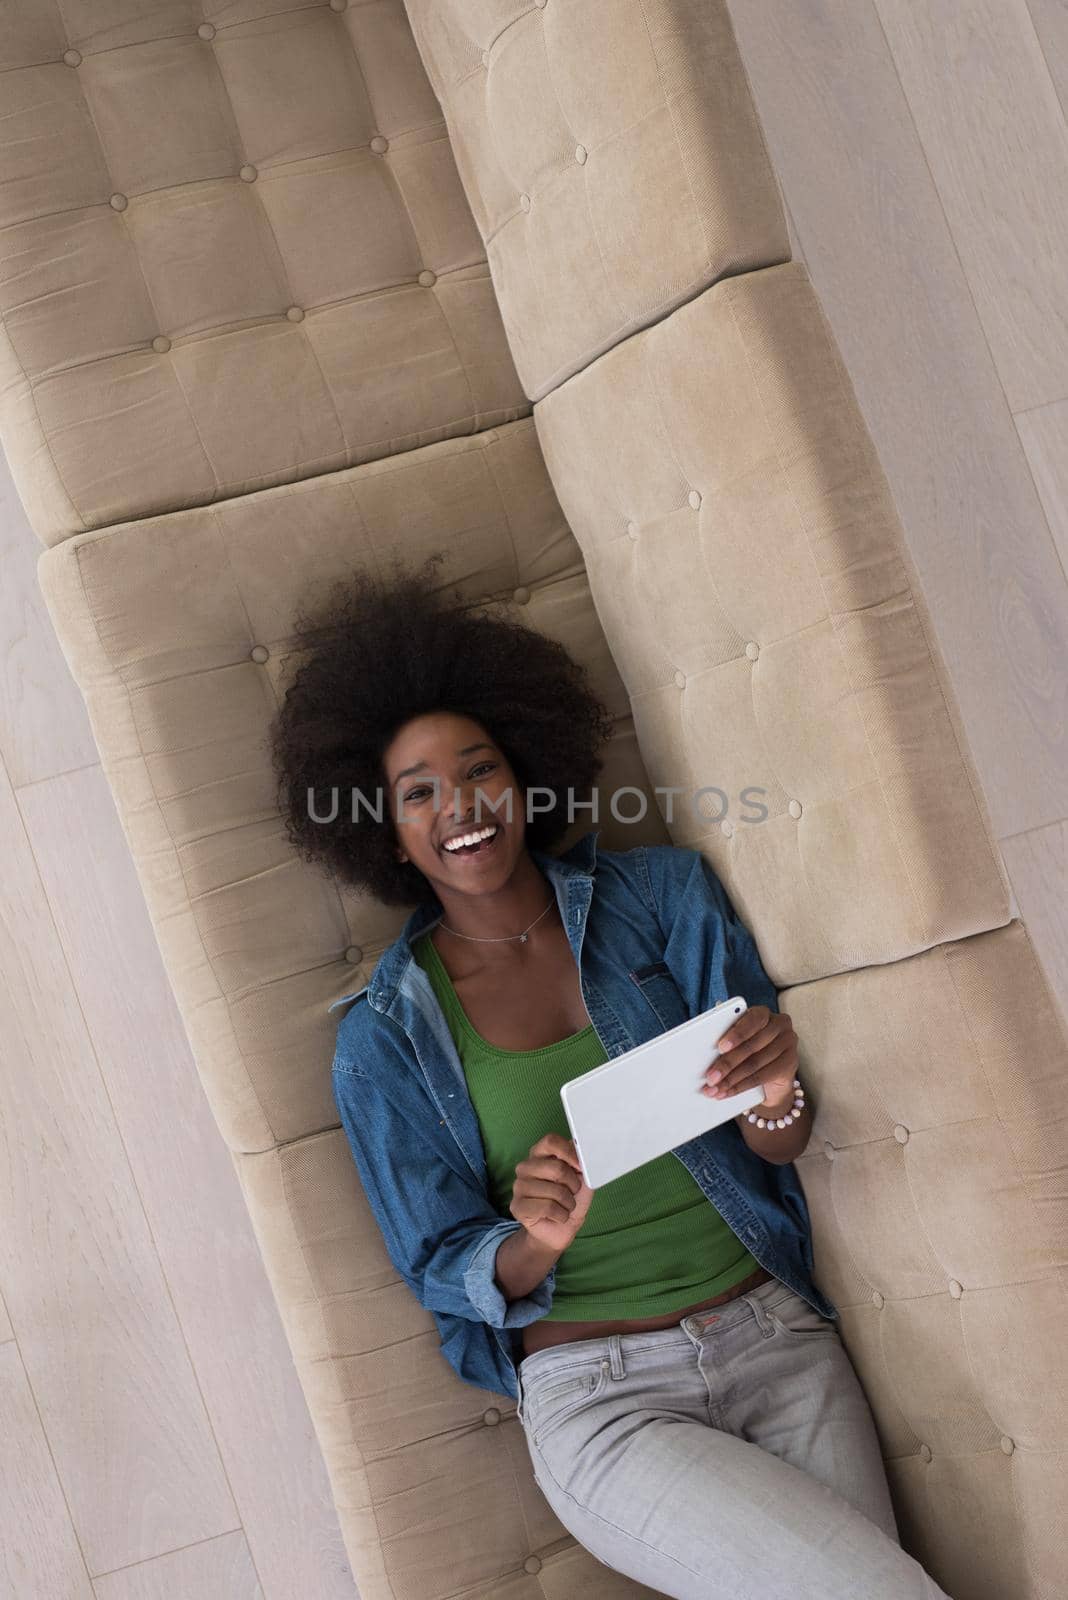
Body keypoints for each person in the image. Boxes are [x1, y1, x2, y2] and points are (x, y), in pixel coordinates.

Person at [270, 552, 952, 1600]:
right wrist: (531, 1240)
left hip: (775, 1338)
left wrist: (778, 1091)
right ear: (391, 834)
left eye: (481, 767)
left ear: (525, 774)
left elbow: (779, 1144)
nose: (462, 805)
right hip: (605, 1399)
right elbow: (438, 1263)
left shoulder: (665, 899)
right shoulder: (384, 1040)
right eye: (420, 792)